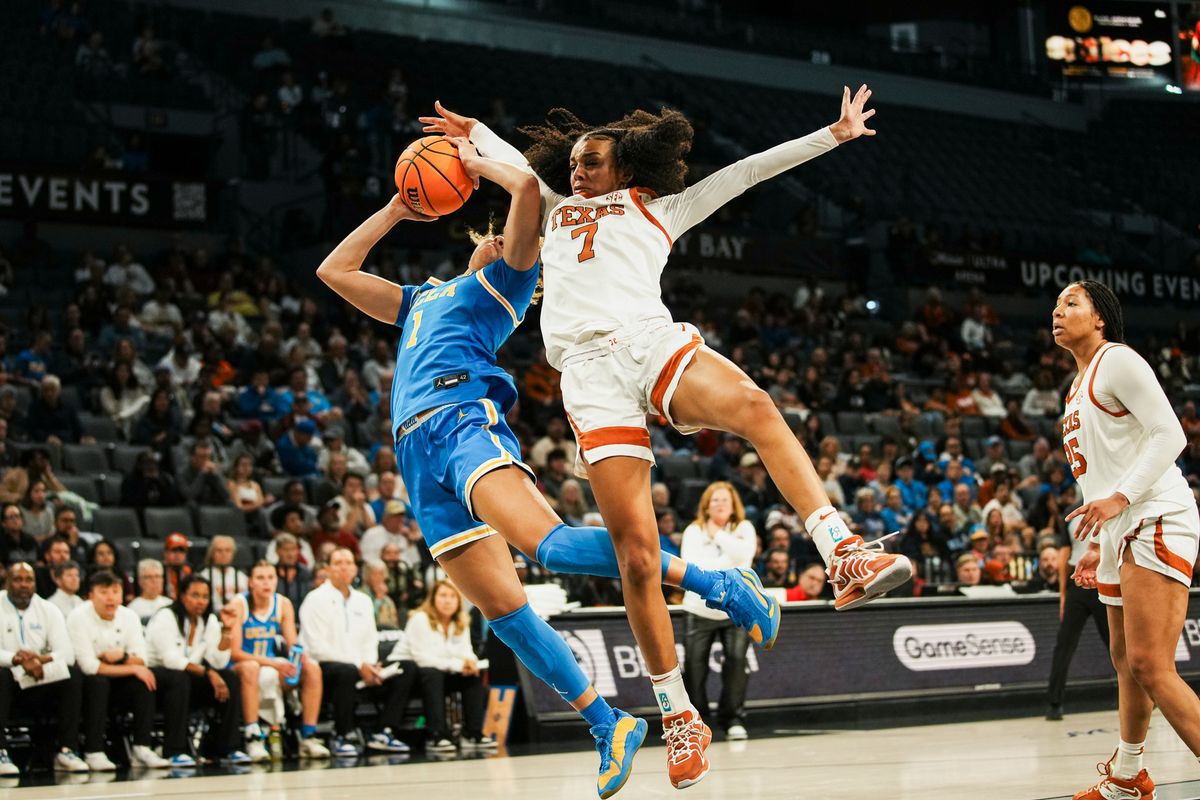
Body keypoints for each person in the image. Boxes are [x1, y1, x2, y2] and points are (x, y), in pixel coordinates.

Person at [424, 88, 908, 786]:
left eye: (592, 161)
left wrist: (831, 136)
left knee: (756, 405)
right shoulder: (553, 209)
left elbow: (746, 172)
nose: (578, 171)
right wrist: (475, 131)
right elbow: (521, 172)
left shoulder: (659, 207)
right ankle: (678, 714)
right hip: (587, 375)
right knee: (636, 558)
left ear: (625, 168)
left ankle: (843, 552)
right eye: (575, 162)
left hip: (648, 343)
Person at [316, 138, 776, 797]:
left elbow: (527, 190)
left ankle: (718, 583)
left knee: (550, 547)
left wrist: (474, 165)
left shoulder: (503, 286)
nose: (497, 240)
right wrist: (396, 207)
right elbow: (335, 270)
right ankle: (607, 724)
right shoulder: (421, 299)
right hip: (416, 459)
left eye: (508, 239)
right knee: (504, 611)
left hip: (460, 423)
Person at [1052, 281, 1200, 800]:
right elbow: (1100, 469)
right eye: (1056, 305)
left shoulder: (1116, 360)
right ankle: (1128, 776)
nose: (1058, 311)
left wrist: (1120, 499)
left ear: (1100, 318)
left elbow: (1171, 434)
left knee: (1149, 664)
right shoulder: (1076, 385)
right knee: (1124, 660)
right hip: (1120, 527)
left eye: (1071, 303)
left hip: (1156, 512)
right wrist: (1099, 539)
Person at [299, 548, 416, 756]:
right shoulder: (315, 599)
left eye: (348, 562)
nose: (344, 567)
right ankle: (343, 734)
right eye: (338, 563)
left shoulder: (363, 600)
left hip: (362, 667)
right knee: (346, 671)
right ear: (327, 569)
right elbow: (316, 647)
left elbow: (370, 638)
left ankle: (384, 731)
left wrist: (370, 663)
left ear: (355, 569)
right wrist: (358, 664)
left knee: (406, 667)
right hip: (325, 669)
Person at [66, 570, 170, 770]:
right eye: (104, 592)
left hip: (119, 678)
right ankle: (93, 751)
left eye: (115, 592)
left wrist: (122, 658)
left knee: (145, 680)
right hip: (85, 683)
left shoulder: (129, 616)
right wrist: (132, 668)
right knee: (98, 682)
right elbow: (89, 666)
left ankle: (142, 748)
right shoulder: (78, 617)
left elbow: (142, 660)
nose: (110, 598)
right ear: (91, 596)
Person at [226, 561, 329, 761]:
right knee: (251, 667)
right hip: (241, 668)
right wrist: (273, 663)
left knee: (312, 668)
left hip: (271, 665)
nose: (266, 583)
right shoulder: (239, 604)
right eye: (260, 578)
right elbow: (235, 653)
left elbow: (293, 645)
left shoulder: (283, 604)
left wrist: (297, 662)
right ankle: (253, 737)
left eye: (270, 578)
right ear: (251, 582)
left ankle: (308, 737)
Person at [145, 575, 250, 766]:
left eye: (204, 596)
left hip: (188, 679)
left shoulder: (208, 620)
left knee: (230, 679)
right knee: (179, 678)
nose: (200, 601)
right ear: (182, 596)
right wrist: (208, 673)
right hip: (157, 680)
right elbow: (171, 660)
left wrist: (227, 631)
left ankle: (228, 748)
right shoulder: (166, 617)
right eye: (195, 595)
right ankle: (174, 751)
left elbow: (218, 661)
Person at [679, 482, 756, 742]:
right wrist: (728, 565)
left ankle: (733, 719)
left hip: (736, 609)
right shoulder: (693, 530)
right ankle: (697, 722)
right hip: (697, 609)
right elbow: (693, 569)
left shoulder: (744, 528)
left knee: (736, 661)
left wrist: (719, 535)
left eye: (725, 500)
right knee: (694, 668)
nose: (720, 504)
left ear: (734, 506)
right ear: (706, 506)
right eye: (715, 500)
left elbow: (745, 557)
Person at [0, 562, 88, 776]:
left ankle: (67, 751)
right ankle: (1, 752)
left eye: (28, 580)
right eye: (18, 579)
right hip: (8, 680)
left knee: (72, 674)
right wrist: (17, 659)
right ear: (7, 582)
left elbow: (67, 653)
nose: (24, 585)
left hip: (38, 680)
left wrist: (40, 659)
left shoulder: (48, 609)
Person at [405, 580, 487, 751]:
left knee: (473, 674)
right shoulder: (420, 619)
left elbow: (466, 650)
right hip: (413, 677)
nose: (447, 601)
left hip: (443, 674)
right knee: (432, 673)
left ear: (459, 601)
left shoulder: (460, 621)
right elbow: (421, 658)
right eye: (442, 596)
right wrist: (457, 665)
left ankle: (473, 733)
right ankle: (437, 734)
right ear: (433, 598)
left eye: (452, 596)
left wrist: (470, 662)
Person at [198, 535, 249, 611]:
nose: (223, 554)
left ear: (233, 553)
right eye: (219, 550)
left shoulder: (241, 577)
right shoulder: (204, 576)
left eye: (227, 550)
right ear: (212, 553)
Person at [128, 558, 173, 623]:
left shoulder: (170, 604)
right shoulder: (132, 609)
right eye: (149, 577)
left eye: (157, 576)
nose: (154, 581)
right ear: (140, 581)